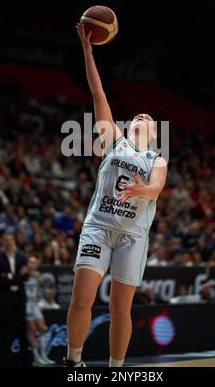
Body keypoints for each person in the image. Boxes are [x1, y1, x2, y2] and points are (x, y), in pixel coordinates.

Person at [64, 24, 167, 367]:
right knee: (82, 298)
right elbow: (98, 94)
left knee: (120, 308)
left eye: (147, 117)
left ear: (153, 133)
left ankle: (116, 369)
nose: (141, 116)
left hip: (132, 235)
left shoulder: (156, 158)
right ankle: (73, 361)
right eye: (137, 114)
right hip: (99, 226)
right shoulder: (114, 141)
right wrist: (88, 52)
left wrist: (144, 189)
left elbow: (156, 187)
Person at [0, 232, 30, 366]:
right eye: (6, 240)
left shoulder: (21, 256)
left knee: (22, 330)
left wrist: (8, 276)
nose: (9, 242)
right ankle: (5, 361)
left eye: (11, 239)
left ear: (14, 241)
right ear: (3, 242)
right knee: (6, 330)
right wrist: (16, 276)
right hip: (4, 299)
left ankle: (25, 361)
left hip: (19, 298)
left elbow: (25, 277)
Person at [25, 257, 54, 366]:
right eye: (31, 262)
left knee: (42, 328)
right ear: (27, 264)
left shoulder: (37, 275)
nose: (32, 264)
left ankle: (43, 355)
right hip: (26, 304)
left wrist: (37, 297)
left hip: (34, 304)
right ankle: (36, 357)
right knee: (32, 330)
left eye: (34, 263)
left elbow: (36, 289)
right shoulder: (23, 273)